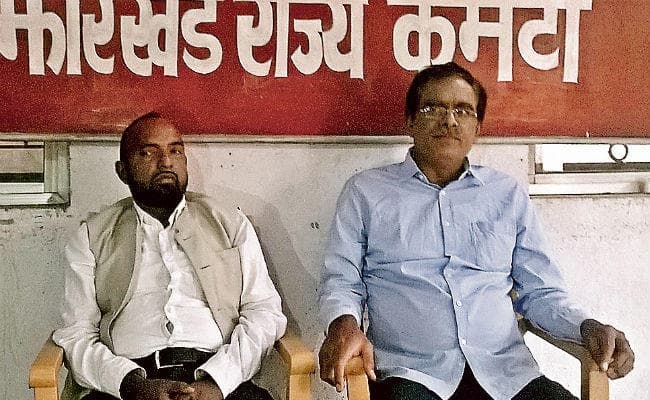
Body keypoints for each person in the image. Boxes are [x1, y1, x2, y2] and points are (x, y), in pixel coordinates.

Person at [318, 62, 634, 400]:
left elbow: (540, 292)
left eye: (463, 110)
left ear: (477, 127)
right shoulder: (366, 192)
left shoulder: (506, 194)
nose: (449, 120)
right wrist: (343, 323)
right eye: (432, 108)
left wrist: (586, 327)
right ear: (409, 121)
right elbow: (341, 281)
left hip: (506, 375)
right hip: (410, 375)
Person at [53, 112, 286, 400]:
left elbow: (263, 311)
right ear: (122, 171)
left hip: (218, 381)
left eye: (175, 151)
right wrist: (131, 384)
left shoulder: (230, 223)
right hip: (129, 386)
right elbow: (76, 334)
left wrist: (218, 382)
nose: (166, 162)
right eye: (148, 152)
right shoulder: (92, 236)